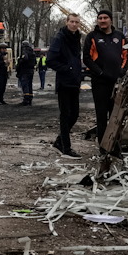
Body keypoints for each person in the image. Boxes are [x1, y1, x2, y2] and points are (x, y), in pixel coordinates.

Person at [83, 10, 128, 144]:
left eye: (105, 18)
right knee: (101, 115)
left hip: (118, 82)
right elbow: (87, 58)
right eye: (100, 18)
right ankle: (103, 146)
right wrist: (100, 72)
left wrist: (122, 70)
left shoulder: (120, 36)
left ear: (110, 20)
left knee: (116, 116)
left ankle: (115, 145)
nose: (102, 20)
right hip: (100, 83)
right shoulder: (92, 36)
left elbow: (127, 55)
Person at [47, 13, 85, 157]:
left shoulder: (76, 38)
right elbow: (50, 59)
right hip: (64, 82)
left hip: (75, 82)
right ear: (67, 22)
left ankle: (59, 141)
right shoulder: (60, 37)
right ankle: (66, 148)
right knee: (65, 114)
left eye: (77, 22)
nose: (74, 24)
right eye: (72, 22)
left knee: (74, 114)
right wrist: (67, 68)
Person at [15, 40, 37, 106]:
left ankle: (26, 99)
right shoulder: (32, 52)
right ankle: (30, 98)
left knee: (25, 85)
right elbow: (35, 62)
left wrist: (20, 61)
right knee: (30, 85)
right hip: (31, 71)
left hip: (25, 71)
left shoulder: (25, 51)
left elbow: (25, 58)